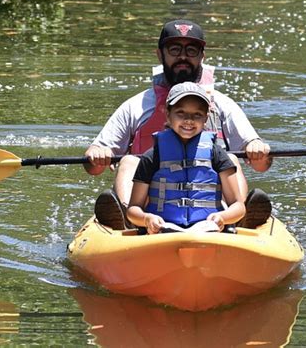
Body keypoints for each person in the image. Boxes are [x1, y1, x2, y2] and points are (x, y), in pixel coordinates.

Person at [85, 19, 272, 230]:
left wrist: (257, 148)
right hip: (149, 207)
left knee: (230, 159)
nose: (182, 57)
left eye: (191, 50)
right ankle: (128, 220)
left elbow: (260, 165)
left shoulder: (222, 105)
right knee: (128, 161)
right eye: (174, 49)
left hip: (212, 209)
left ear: (202, 56)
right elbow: (93, 167)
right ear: (160, 54)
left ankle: (237, 218)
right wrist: (97, 152)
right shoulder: (136, 106)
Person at [127, 82, 245, 234]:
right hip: (162, 230)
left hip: (209, 230)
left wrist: (223, 217)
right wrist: (146, 219)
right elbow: (133, 208)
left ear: (206, 118)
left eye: (197, 114)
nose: (189, 120)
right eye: (181, 113)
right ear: (168, 114)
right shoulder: (152, 156)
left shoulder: (217, 154)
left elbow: (237, 205)